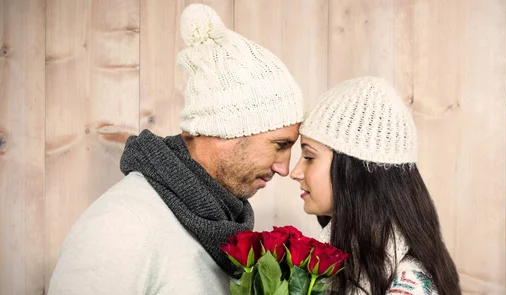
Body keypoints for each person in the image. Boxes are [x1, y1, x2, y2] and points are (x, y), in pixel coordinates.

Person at [48, 4, 303, 294]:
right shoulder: (121, 226)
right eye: (280, 144)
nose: (284, 168)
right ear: (225, 130)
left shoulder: (222, 222)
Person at [290, 76, 461, 295]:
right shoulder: (344, 260)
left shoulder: (409, 286)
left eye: (309, 156)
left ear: (353, 171)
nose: (294, 172)